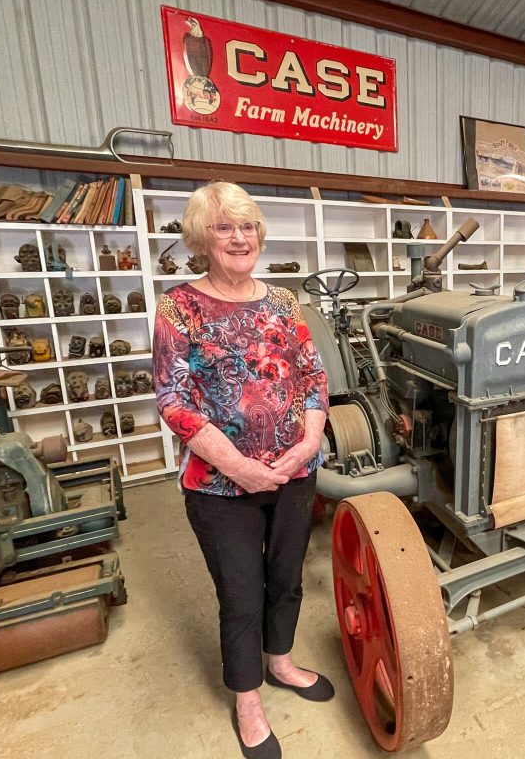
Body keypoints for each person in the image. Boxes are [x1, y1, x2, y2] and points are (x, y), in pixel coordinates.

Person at [153, 181, 332, 759]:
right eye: (225, 227)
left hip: (294, 475)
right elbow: (172, 400)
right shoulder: (179, 306)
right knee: (241, 594)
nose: (239, 237)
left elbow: (313, 377)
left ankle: (279, 662)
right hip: (219, 487)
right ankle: (248, 698)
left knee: (286, 579)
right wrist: (240, 467)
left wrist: (308, 442)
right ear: (202, 239)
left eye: (248, 225)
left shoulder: (282, 302)